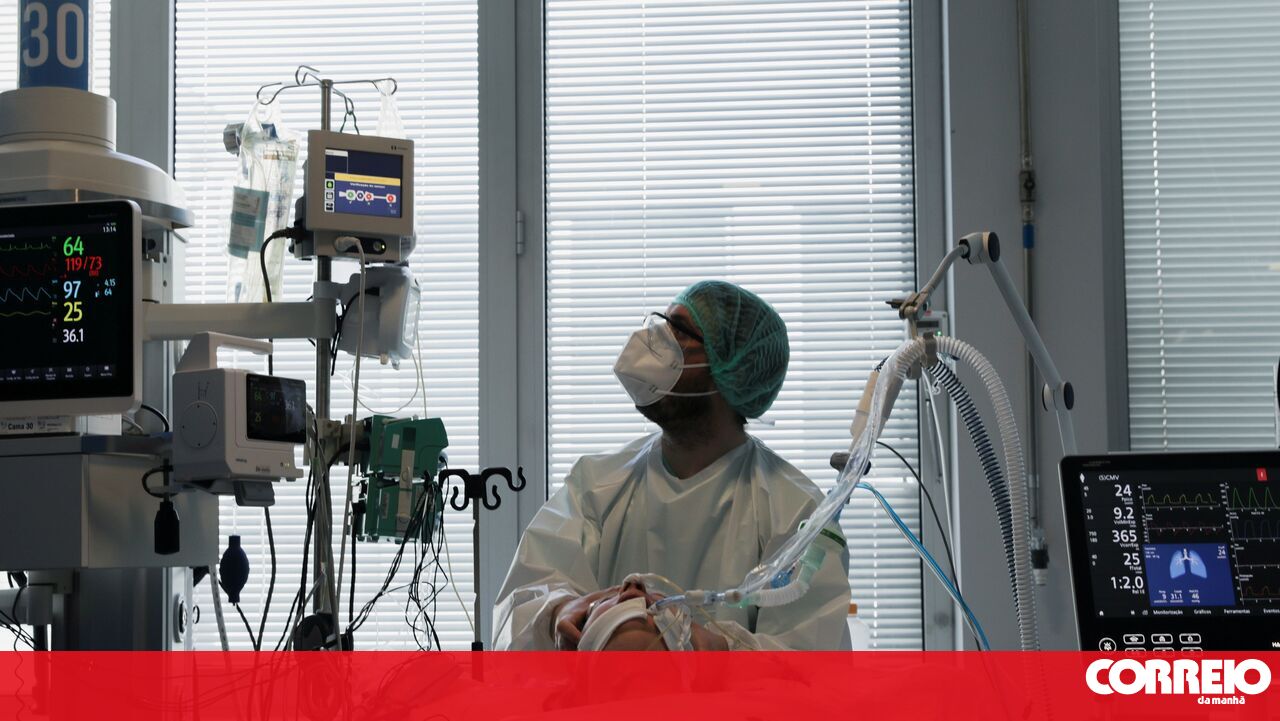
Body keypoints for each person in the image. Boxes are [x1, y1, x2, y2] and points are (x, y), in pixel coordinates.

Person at [492, 280, 852, 650]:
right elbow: (520, 604)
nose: (653, 341)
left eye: (678, 331)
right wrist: (557, 612)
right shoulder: (597, 486)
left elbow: (809, 662)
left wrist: (699, 648)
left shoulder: (793, 511)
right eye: (662, 323)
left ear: (732, 367)